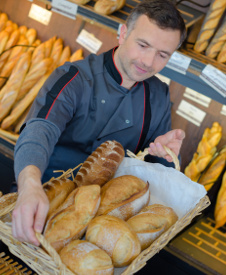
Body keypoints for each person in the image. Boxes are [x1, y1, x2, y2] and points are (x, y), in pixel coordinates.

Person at [12, 0, 187, 246]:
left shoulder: (158, 97)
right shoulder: (74, 77)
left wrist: (162, 157)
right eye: (143, 45)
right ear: (123, 33)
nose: (148, 61)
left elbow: (151, 176)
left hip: (100, 225)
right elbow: (40, 130)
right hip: (41, 197)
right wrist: (29, 184)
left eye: (162, 55)